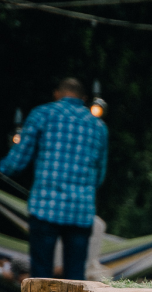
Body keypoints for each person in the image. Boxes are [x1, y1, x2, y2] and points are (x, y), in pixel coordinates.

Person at [0, 78, 108, 279]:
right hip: (81, 211)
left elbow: (17, 161)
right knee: (76, 279)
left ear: (57, 94)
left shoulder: (42, 114)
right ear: (83, 99)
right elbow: (100, 175)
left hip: (45, 209)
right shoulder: (98, 126)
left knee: (41, 276)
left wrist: (3, 168)